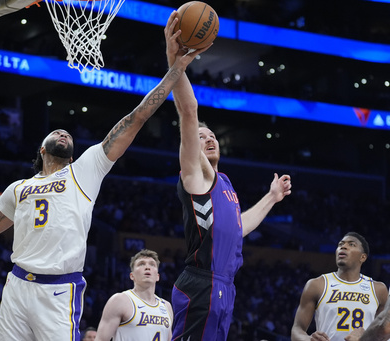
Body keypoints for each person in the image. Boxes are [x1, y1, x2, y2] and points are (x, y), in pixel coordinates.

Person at [0, 41, 210, 340]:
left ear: (72, 155)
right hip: (17, 287)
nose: (63, 132)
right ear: (42, 149)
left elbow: (137, 116)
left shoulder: (85, 170)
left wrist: (176, 68)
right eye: (56, 131)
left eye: (67, 133)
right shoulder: (18, 189)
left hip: (58, 291)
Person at [164, 11, 292, 341]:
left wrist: (272, 197)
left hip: (224, 287)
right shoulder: (196, 174)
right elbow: (189, 112)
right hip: (201, 283)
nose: (207, 138)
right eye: (201, 135)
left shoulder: (226, 184)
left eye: (212, 136)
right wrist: (174, 61)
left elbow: (239, 227)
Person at [291, 232, 388, 341]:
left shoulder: (378, 289)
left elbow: (384, 334)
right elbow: (297, 330)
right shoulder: (317, 285)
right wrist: (309, 339)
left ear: (363, 257)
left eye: (351, 244)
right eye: (340, 244)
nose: (343, 246)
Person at [95, 249, 173, 341]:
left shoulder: (166, 306)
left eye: (152, 264)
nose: (147, 267)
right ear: (132, 276)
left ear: (157, 276)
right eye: (141, 264)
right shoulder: (120, 300)